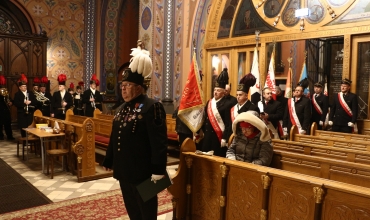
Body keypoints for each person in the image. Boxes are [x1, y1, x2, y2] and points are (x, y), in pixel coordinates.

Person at [103, 40, 167, 219]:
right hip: (125, 171)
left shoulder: (152, 107)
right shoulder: (122, 107)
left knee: (146, 212)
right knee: (132, 210)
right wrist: (110, 160)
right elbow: (115, 134)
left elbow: (159, 143)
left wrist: (158, 170)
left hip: (144, 173)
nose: (123, 89)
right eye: (121, 86)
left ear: (139, 88)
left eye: (127, 86)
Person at [201, 68, 234, 157]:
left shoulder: (228, 104)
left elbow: (228, 124)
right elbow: (205, 119)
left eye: (218, 91)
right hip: (208, 136)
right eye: (215, 90)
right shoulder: (209, 102)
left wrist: (225, 138)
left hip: (218, 137)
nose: (215, 92)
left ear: (223, 93)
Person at [0, 75, 15, 140]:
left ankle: (9, 136)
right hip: (0, 111)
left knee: (8, 124)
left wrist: (11, 103)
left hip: (6, 111)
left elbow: (10, 99)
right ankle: (0, 136)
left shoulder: (6, 93)